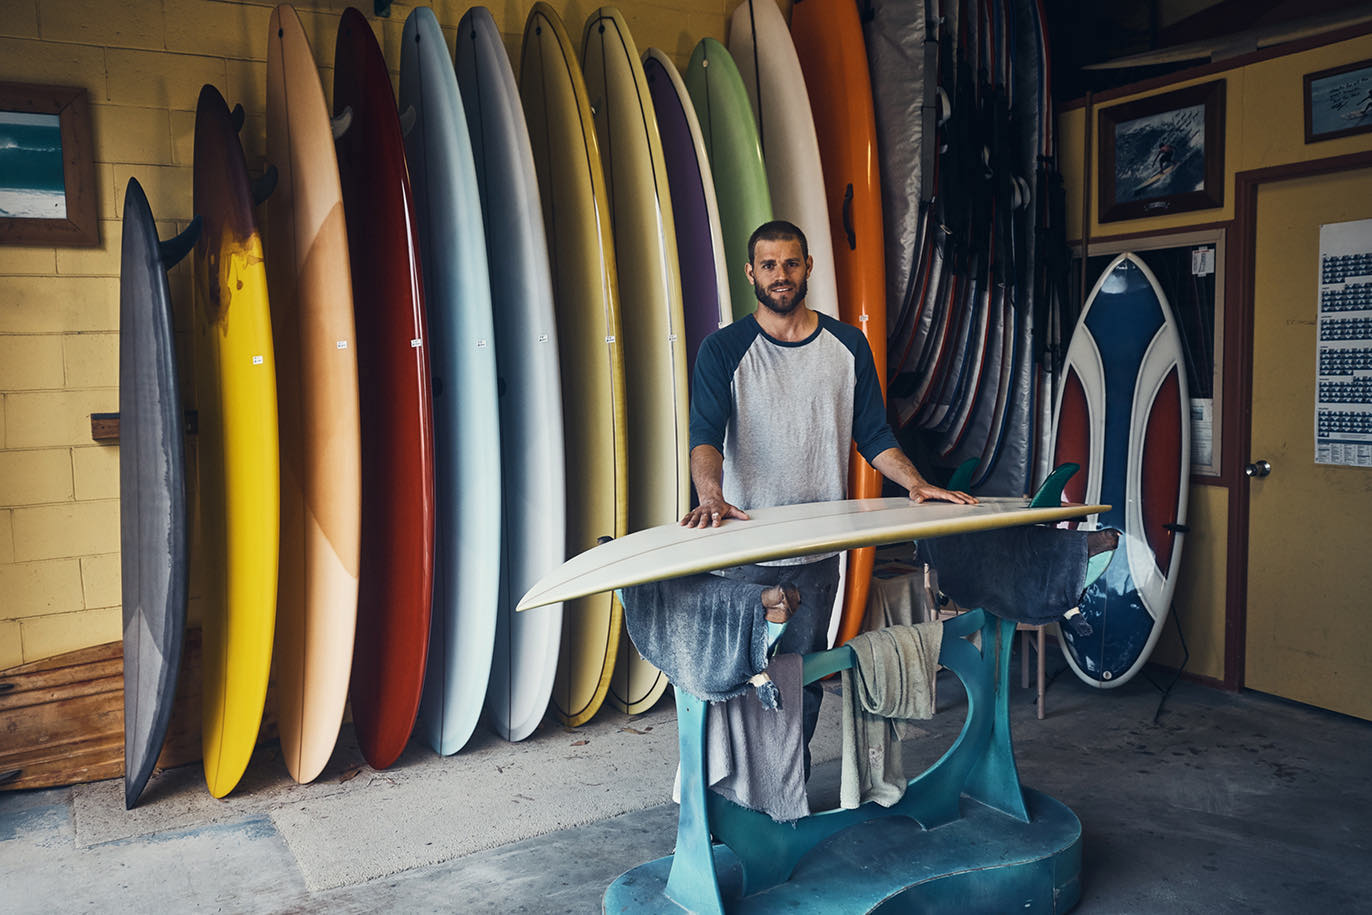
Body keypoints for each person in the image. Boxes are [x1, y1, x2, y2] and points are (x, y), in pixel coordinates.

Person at [681, 219, 974, 773]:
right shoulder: (723, 350)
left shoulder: (847, 345)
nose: (780, 275)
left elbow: (875, 435)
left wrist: (915, 482)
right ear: (750, 273)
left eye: (791, 263)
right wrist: (711, 494)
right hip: (746, 552)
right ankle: (729, 797)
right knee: (736, 683)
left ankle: (788, 791)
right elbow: (705, 436)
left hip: (817, 556)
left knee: (803, 681)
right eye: (768, 265)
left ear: (809, 266)